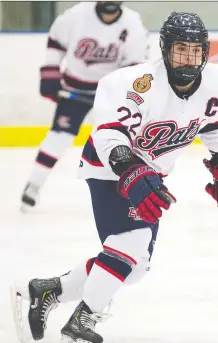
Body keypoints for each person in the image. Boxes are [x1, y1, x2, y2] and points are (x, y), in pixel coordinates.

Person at [11, 11, 218, 343]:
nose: (188, 59)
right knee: (131, 244)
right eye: (181, 50)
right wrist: (130, 171)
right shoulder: (136, 83)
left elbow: (214, 126)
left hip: (152, 174)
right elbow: (108, 136)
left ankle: (48, 290)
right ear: (164, 49)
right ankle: (81, 323)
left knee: (134, 269)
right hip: (108, 167)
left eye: (195, 51)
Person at [21, 1, 149, 211]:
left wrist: (125, 95)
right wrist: (51, 73)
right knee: (59, 137)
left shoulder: (133, 24)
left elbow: (134, 66)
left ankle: (132, 190)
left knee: (123, 143)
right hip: (75, 89)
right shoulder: (76, 16)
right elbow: (56, 42)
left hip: (110, 94)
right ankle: (33, 185)